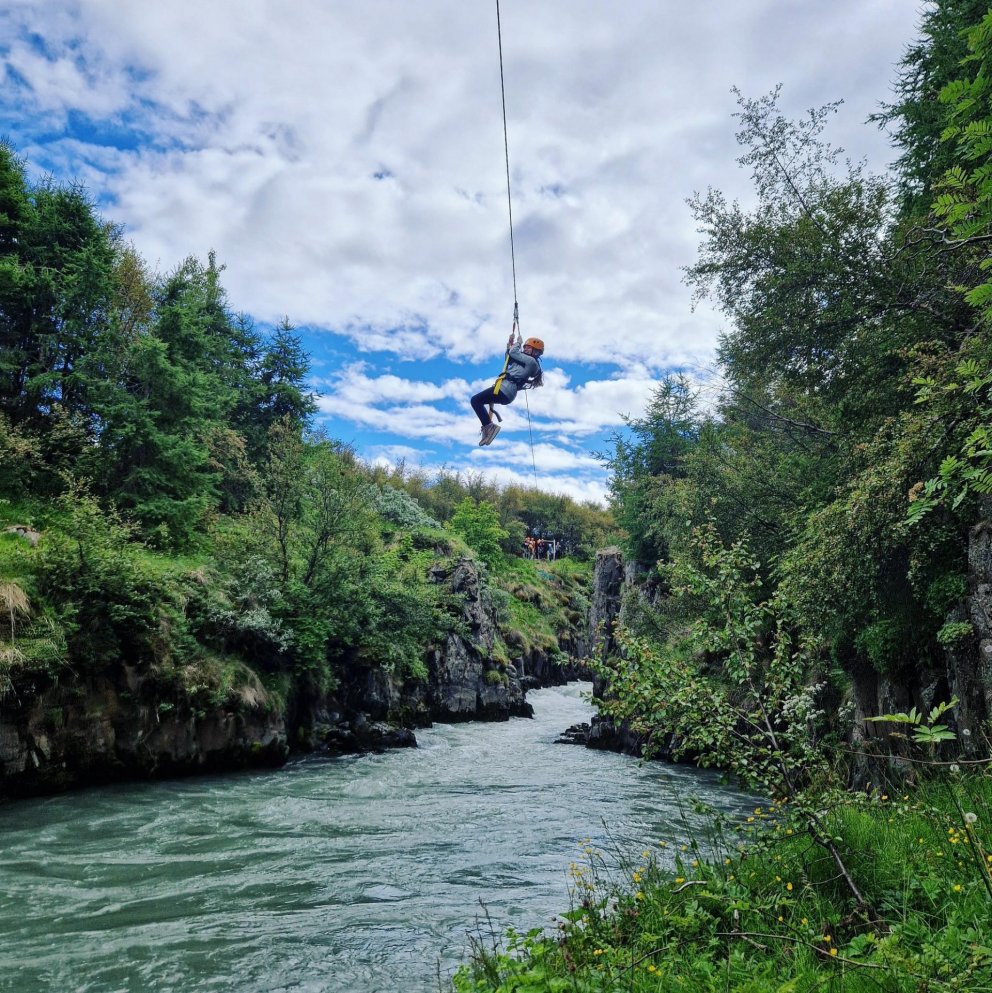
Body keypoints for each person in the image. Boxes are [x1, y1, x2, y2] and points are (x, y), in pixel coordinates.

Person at [470, 331, 544, 446]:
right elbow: (508, 359)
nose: (525, 349)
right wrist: (509, 344)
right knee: (477, 401)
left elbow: (513, 353)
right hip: (505, 390)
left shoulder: (532, 362)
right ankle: (488, 427)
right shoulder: (524, 361)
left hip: (505, 389)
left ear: (536, 352)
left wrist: (518, 343)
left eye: (529, 348)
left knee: (475, 400)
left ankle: (489, 426)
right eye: (525, 347)